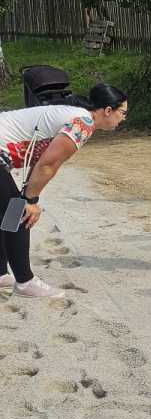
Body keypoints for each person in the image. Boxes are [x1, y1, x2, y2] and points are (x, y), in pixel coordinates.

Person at [0, 84, 128, 297]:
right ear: (108, 110)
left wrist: (28, 195)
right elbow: (48, 164)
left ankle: (1, 274)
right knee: (18, 213)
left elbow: (39, 161)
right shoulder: (83, 123)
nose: (123, 118)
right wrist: (30, 201)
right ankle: (25, 282)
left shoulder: (74, 115)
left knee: (9, 210)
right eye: (122, 112)